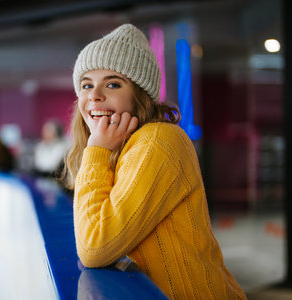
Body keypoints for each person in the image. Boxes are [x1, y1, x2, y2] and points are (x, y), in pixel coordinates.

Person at [61, 24, 247, 299]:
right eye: (86, 84)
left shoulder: (155, 141)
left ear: (139, 95)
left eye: (112, 84)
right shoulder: (124, 146)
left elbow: (94, 247)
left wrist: (97, 150)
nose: (94, 95)